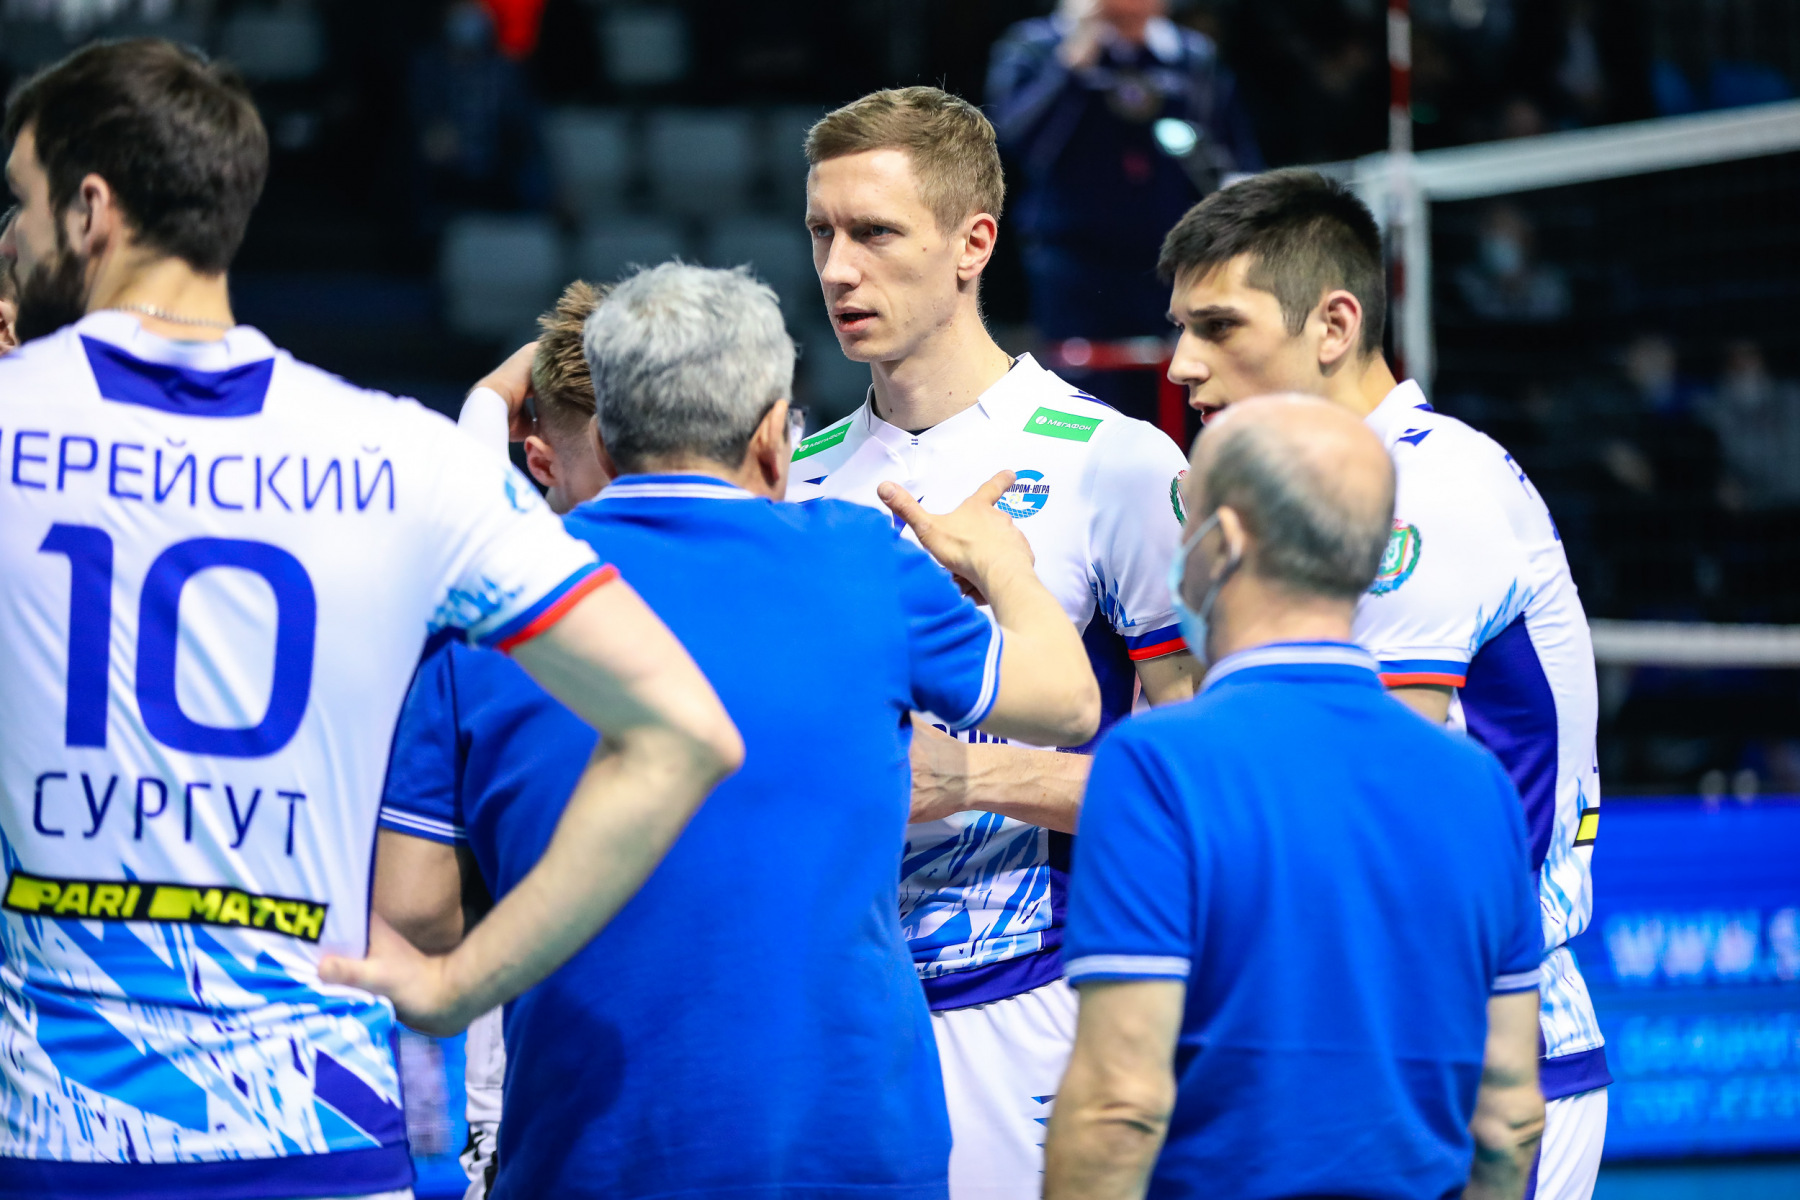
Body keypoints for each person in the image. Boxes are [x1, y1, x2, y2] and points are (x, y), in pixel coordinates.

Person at [0, 39, 741, 1200]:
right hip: (327, 1142)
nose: (10, 235)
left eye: (20, 203)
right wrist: (461, 984)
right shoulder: (404, 459)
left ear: (91, 211)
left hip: (57, 1143)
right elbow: (685, 733)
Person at [376, 262, 1102, 1200]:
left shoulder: (487, 604)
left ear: (605, 433)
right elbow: (1069, 704)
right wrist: (1000, 562)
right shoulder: (860, 561)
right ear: (772, 437)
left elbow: (414, 912)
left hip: (591, 1152)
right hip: (849, 1156)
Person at [1159, 169, 1608, 1200]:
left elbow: (1358, 804)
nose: (1183, 364)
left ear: (1335, 325)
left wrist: (998, 782)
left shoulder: (1420, 487)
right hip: (1379, 1025)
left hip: (1470, 1048)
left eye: (1219, 326)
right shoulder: (1315, 493)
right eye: (1180, 328)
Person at [796, 86, 1204, 1199]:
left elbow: (1206, 790)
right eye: (822, 233)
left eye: (876, 233)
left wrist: (977, 779)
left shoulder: (1113, 463)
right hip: (830, 1011)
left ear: (974, 244)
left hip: (1034, 1001)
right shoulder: (797, 483)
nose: (838, 270)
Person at [1043, 395, 1547, 1200]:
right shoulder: (1477, 784)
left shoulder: (1158, 765)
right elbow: (1511, 1113)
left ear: (1222, 543)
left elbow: (1118, 1105)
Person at [404, 278, 615, 1200]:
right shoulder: (775, 559)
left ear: (540, 458)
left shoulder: (485, 611)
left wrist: (495, 394)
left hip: (523, 1045)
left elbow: (415, 911)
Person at [986, 0, 1261, 418]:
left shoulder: (1190, 56)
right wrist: (1071, 64)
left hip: (1172, 261)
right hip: (1074, 264)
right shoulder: (1037, 45)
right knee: (1082, 397)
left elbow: (1232, 162)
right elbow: (1013, 146)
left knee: (1176, 390)